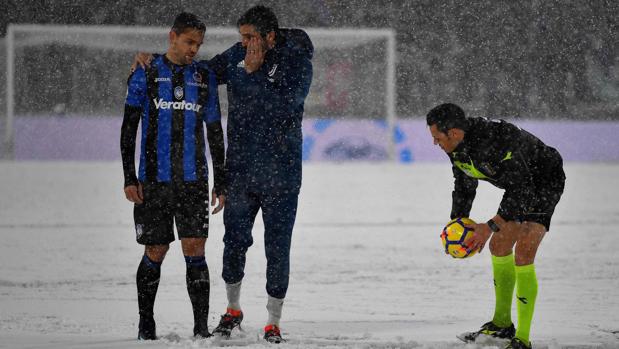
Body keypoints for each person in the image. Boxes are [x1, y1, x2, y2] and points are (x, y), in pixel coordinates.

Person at [132, 4, 312, 344]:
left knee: (278, 248)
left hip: (282, 176)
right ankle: (232, 310)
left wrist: (251, 73)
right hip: (242, 171)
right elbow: (200, 69)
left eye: (249, 37)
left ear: (269, 36)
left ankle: (273, 320)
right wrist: (156, 59)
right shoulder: (239, 55)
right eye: (240, 38)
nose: (242, 44)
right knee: (234, 244)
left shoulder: (299, 63)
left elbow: (283, 107)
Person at [121, 12, 226, 340]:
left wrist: (220, 181)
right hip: (153, 180)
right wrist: (128, 177)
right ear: (172, 36)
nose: (194, 49)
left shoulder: (204, 76)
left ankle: (200, 328)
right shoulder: (146, 72)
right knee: (156, 249)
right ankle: (145, 323)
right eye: (189, 41)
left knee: (195, 248)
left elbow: (215, 132)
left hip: (194, 181)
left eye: (198, 44)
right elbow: (128, 129)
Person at [426, 103, 565, 349]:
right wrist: (457, 223)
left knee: (524, 251)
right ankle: (501, 326)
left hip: (544, 180)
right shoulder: (456, 145)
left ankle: (522, 339)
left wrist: (489, 225)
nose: (435, 143)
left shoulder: (495, 142)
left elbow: (521, 190)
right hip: (519, 185)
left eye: (437, 138)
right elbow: (464, 183)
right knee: (499, 246)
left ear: (454, 133)